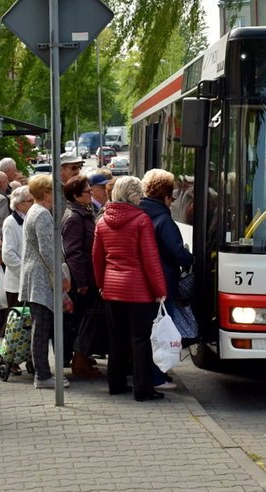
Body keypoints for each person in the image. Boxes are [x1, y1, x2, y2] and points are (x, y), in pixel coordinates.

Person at [92, 176, 167, 401]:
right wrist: (160, 289)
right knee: (141, 339)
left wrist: (101, 285)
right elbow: (150, 259)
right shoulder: (141, 220)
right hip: (139, 290)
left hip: (113, 289)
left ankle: (115, 384)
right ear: (134, 195)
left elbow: (97, 259)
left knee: (117, 337)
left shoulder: (103, 221)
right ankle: (143, 389)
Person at [139, 169, 194, 391]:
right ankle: (157, 376)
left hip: (142, 282)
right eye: (172, 198)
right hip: (163, 282)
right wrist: (191, 258)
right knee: (162, 330)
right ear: (165, 197)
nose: (172, 203)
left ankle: (152, 374)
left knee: (148, 331)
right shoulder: (163, 219)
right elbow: (176, 251)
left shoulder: (140, 213)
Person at [19, 174, 71, 389]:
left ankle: (42, 372)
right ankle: (42, 375)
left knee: (41, 328)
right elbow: (48, 250)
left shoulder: (35, 211)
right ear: (47, 193)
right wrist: (61, 276)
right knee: (42, 329)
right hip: (41, 278)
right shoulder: (41, 214)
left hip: (38, 276)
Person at [61, 175, 102, 379]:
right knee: (82, 321)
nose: (91, 193)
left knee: (88, 320)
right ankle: (79, 362)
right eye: (87, 191)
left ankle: (82, 358)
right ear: (76, 196)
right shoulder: (74, 217)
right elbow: (73, 253)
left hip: (89, 276)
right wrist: (82, 283)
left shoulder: (84, 212)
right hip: (82, 280)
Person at [0, 185, 32, 377]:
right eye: (30, 201)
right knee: (13, 323)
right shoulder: (11, 222)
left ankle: (29, 358)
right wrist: (26, 272)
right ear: (19, 204)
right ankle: (9, 358)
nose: (33, 203)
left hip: (29, 282)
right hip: (16, 282)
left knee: (29, 323)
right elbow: (8, 254)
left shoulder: (29, 218)